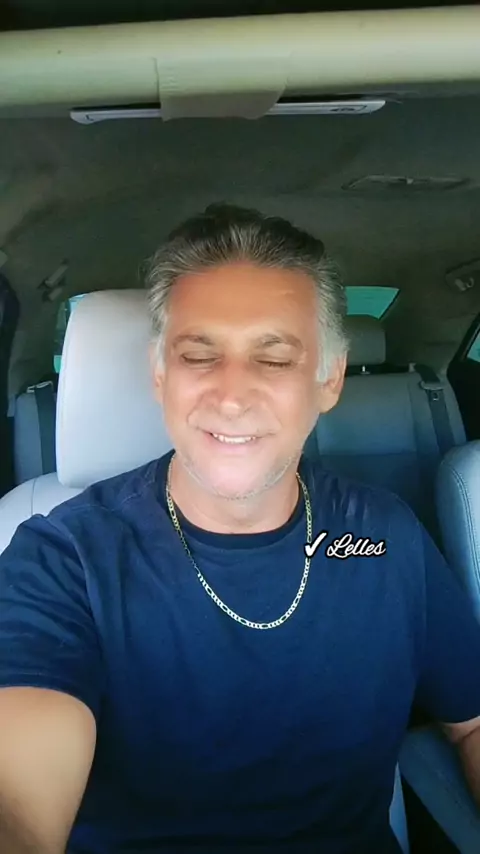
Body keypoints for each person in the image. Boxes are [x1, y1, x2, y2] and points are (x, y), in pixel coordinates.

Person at [0, 203, 480, 854]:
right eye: (199, 355)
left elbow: (470, 722)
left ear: (329, 379)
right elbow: (17, 792)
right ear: (160, 375)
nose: (231, 395)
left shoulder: (385, 536)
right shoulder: (62, 560)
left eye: (274, 359)